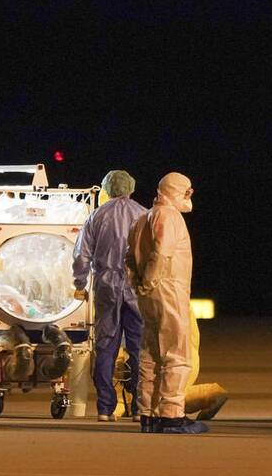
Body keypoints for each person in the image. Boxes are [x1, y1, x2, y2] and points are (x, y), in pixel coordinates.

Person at [127, 172, 205, 434]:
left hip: (149, 294)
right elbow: (161, 252)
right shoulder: (169, 216)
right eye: (186, 191)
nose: (189, 196)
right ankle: (172, 415)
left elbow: (129, 258)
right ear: (174, 190)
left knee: (151, 354)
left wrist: (139, 285)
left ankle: (148, 414)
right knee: (176, 353)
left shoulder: (142, 218)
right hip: (168, 291)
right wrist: (150, 281)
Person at [73, 169, 148, 422]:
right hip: (137, 287)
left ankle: (105, 408)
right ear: (131, 188)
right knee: (138, 347)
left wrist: (79, 283)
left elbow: (81, 254)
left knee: (106, 345)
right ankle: (139, 406)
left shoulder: (97, 215)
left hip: (106, 285)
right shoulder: (144, 214)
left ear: (106, 188)